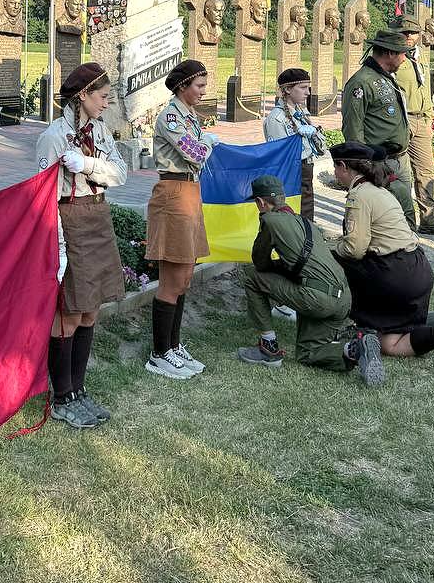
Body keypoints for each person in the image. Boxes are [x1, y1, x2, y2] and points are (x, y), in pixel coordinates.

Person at [35, 63, 128, 428]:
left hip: (98, 216)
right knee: (70, 311)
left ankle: (78, 389)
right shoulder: (54, 136)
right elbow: (42, 195)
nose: (107, 103)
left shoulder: (100, 131)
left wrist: (88, 163)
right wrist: (55, 243)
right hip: (69, 220)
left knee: (91, 309)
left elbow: (120, 173)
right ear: (83, 95)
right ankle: (62, 396)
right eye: (102, 96)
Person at [328, 143, 434, 365]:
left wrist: (331, 249)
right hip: (417, 269)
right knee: (393, 340)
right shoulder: (381, 191)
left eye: (335, 167)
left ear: (343, 166)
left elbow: (354, 249)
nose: (334, 173)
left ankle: (344, 321)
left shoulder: (359, 196)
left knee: (333, 262)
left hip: (394, 275)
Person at [236, 175, 383, 386]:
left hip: (317, 298)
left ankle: (268, 348)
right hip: (343, 299)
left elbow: (260, 263)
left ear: (260, 202)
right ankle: (354, 349)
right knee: (308, 352)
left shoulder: (270, 220)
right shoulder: (307, 223)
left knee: (252, 277)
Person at [145, 59, 218, 379]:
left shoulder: (189, 116)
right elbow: (196, 154)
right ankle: (159, 353)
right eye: (199, 86)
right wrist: (208, 143)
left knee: (185, 275)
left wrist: (205, 142)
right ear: (182, 86)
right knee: (173, 277)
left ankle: (173, 346)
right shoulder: (171, 117)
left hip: (189, 192)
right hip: (174, 193)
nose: (203, 91)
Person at [340, 28, 417, 229]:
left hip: (399, 159)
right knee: (382, 219)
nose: (405, 59)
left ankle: (409, 245)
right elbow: (353, 129)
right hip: (379, 163)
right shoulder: (361, 82)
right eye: (402, 53)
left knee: (405, 214)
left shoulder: (386, 77)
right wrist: (366, 166)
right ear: (390, 53)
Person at [390, 16, 434, 235]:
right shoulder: (390, 57)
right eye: (404, 32)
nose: (409, 36)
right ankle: (399, 222)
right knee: (398, 174)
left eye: (413, 32)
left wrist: (428, 119)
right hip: (399, 121)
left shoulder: (419, 56)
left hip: (420, 121)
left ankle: (429, 220)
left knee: (426, 172)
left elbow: (424, 90)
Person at [263, 68, 324, 220]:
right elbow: (279, 154)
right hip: (293, 172)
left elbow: (321, 147)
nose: (308, 93)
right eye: (303, 88)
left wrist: (315, 132)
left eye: (308, 88)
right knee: (296, 212)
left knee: (307, 212)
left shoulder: (301, 112)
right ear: (288, 89)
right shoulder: (276, 118)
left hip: (306, 168)